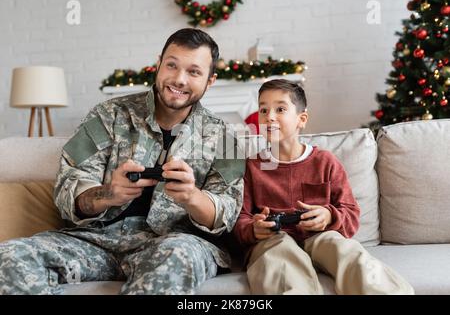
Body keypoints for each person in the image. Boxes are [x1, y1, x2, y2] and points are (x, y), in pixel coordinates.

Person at [0, 28, 245, 295]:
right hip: (96, 242)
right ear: (158, 64)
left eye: (194, 72)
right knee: (9, 256)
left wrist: (192, 197)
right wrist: (108, 194)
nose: (179, 79)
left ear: (210, 81)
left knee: (175, 255)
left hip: (173, 244)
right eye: (171, 65)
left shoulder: (225, 139)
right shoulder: (108, 115)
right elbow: (68, 186)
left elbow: (227, 214)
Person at [233, 79, 414, 295]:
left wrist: (328, 216)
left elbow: (351, 212)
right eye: (263, 109)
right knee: (278, 259)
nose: (269, 116)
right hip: (273, 240)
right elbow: (239, 219)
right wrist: (253, 228)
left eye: (280, 109)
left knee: (347, 252)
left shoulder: (325, 161)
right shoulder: (252, 167)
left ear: (302, 119)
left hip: (320, 237)